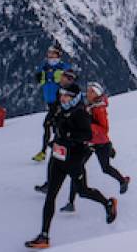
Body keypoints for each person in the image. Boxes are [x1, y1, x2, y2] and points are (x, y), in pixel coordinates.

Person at [25, 83, 117, 249]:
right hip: (57, 158)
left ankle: (107, 203)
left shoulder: (81, 113)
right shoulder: (60, 109)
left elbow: (87, 135)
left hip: (74, 160)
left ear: (74, 97)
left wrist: (67, 137)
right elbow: (57, 128)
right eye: (62, 94)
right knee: (50, 195)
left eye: (66, 95)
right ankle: (44, 235)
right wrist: (55, 138)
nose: (62, 97)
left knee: (82, 191)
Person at [61, 82, 130, 212]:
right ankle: (71, 202)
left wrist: (87, 127)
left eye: (91, 91)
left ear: (97, 94)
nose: (88, 92)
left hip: (100, 144)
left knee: (105, 168)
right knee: (78, 168)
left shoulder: (99, 109)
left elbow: (104, 129)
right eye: (88, 90)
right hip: (91, 143)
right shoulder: (90, 105)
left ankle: (122, 181)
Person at [33, 47, 71, 162]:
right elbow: (38, 78)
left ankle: (46, 152)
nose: (50, 57)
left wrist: (64, 79)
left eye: (53, 54)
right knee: (56, 128)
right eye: (49, 54)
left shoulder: (64, 67)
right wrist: (39, 77)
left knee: (48, 125)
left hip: (59, 103)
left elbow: (72, 82)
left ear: (58, 55)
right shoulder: (44, 66)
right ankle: (61, 151)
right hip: (50, 102)